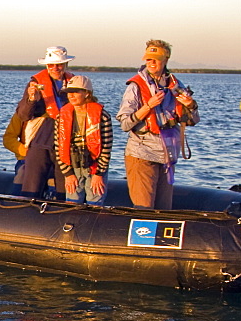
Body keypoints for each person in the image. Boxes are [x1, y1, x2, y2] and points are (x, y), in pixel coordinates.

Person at [117, 39, 199, 209]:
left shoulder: (176, 85)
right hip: (141, 152)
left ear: (166, 60)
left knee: (164, 209)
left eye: (156, 59)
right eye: (148, 59)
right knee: (144, 209)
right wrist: (148, 106)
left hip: (167, 154)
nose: (151, 62)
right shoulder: (135, 87)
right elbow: (124, 124)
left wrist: (191, 105)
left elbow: (193, 121)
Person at [14, 46, 75, 199]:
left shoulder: (74, 83)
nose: (55, 68)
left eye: (59, 64)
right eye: (51, 64)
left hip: (66, 143)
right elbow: (23, 115)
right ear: (46, 65)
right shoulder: (35, 84)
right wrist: (31, 100)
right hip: (40, 141)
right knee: (32, 189)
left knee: (65, 190)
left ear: (66, 64)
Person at [53, 75, 113, 205]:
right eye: (69, 92)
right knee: (72, 202)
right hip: (73, 166)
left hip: (94, 166)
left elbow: (106, 148)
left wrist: (99, 174)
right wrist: (68, 174)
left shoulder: (103, 116)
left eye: (76, 92)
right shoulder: (61, 116)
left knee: (95, 203)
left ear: (87, 93)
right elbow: (58, 147)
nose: (71, 96)